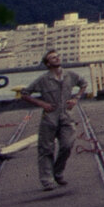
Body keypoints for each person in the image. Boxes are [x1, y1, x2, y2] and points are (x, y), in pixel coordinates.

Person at [22, 49, 86, 192]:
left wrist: (76, 98)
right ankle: (47, 180)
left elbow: (83, 84)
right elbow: (25, 94)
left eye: (57, 56)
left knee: (67, 145)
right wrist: (42, 104)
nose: (57, 59)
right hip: (49, 117)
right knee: (46, 149)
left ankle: (57, 172)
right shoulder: (43, 80)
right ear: (47, 63)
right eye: (53, 58)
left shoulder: (70, 75)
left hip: (66, 116)